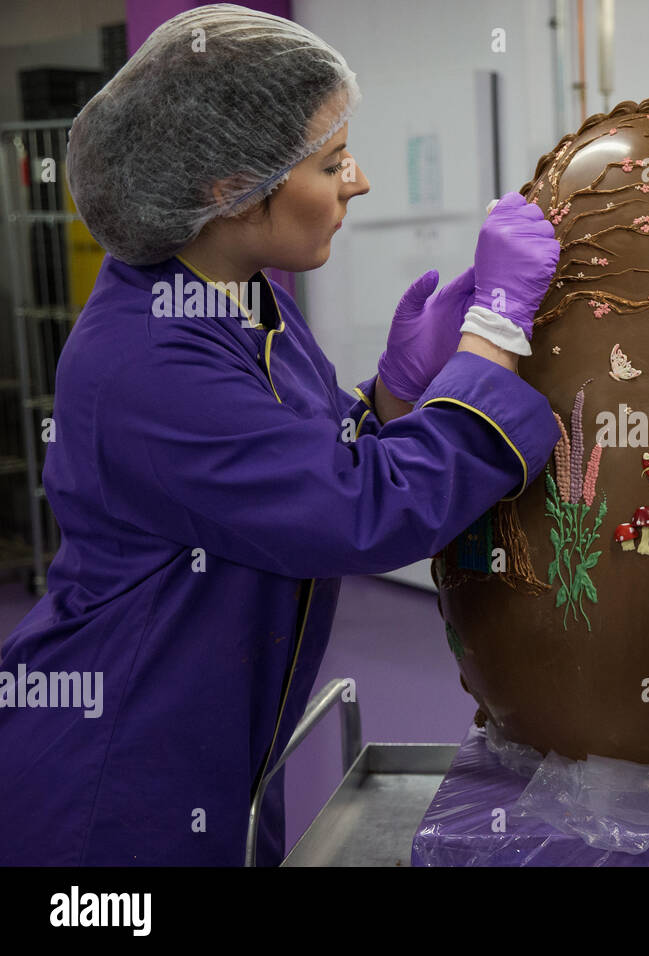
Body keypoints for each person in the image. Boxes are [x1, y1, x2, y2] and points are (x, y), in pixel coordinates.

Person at [0, 5, 560, 865]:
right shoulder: (147, 360)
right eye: (332, 162)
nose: (358, 180)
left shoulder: (239, 297)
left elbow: (305, 464)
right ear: (227, 186)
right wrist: (496, 336)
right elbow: (352, 513)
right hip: (113, 777)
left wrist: (397, 393)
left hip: (218, 745)